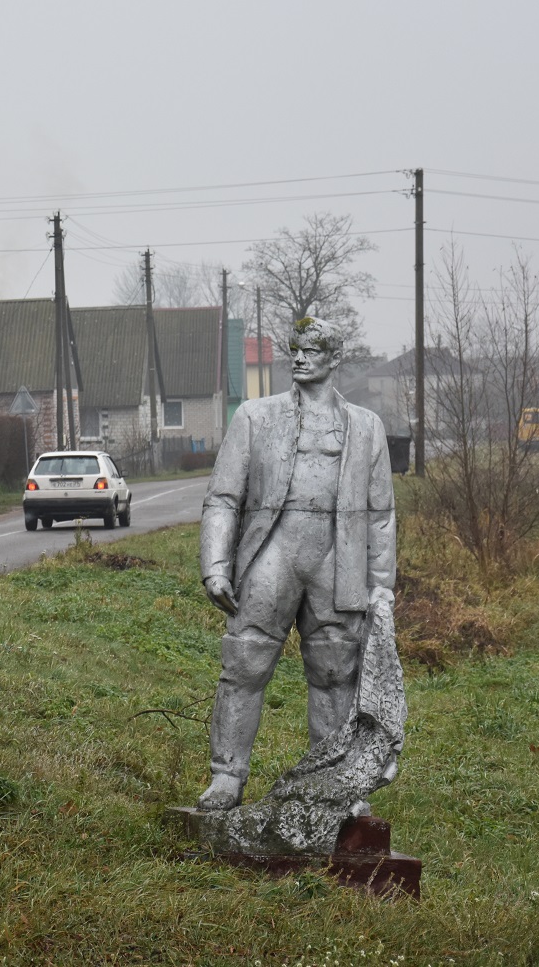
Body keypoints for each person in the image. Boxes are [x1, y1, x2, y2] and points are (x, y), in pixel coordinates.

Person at [197, 317, 396, 812]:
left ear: (334, 358)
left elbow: (381, 514)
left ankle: (334, 785)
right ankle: (226, 776)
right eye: (296, 350)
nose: (301, 358)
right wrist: (216, 565)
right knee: (244, 662)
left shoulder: (366, 427)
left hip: (336, 560)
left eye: (312, 350)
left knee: (335, 672)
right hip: (273, 555)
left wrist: (381, 585)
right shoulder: (254, 417)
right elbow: (222, 497)